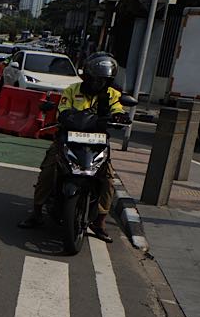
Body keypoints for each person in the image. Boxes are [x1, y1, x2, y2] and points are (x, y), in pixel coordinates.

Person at [17, 53, 128, 243]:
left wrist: (119, 117)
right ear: (88, 76)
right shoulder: (72, 90)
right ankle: (36, 212)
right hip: (68, 138)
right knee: (48, 170)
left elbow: (118, 109)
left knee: (108, 180)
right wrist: (65, 115)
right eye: (96, 79)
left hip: (97, 141)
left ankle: (100, 221)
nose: (99, 83)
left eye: (104, 80)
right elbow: (63, 108)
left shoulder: (112, 95)